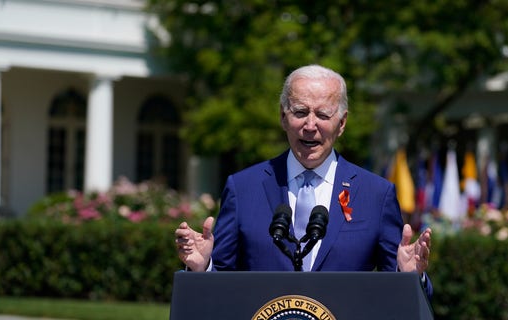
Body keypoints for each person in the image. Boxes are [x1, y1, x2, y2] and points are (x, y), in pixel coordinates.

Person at [175, 64, 433, 298]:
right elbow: (220, 283)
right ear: (283, 117)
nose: (310, 125)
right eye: (300, 112)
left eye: (323, 115)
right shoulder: (243, 188)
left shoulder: (376, 194)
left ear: (341, 123)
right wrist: (202, 268)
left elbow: (399, 298)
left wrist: (409, 277)